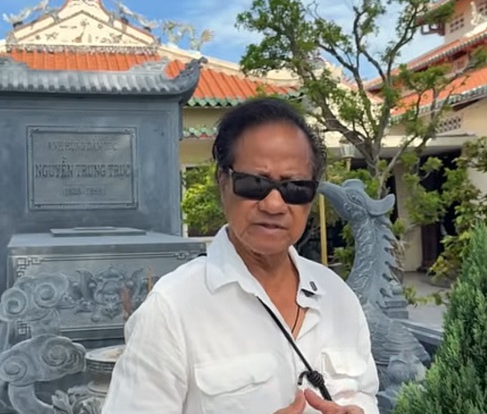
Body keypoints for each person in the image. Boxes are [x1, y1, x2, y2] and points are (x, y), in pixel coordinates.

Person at [102, 97, 379, 414]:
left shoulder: (338, 297)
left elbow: (364, 394)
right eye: (255, 183)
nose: (274, 205)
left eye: (295, 188)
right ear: (223, 182)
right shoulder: (172, 308)